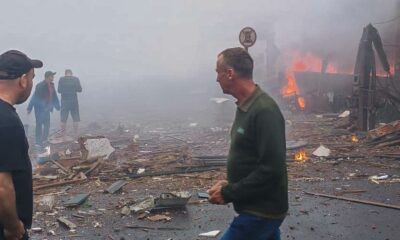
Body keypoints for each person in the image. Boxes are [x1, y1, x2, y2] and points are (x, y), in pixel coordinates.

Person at [208, 47, 288, 240]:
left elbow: (271, 168)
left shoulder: (264, 111)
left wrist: (229, 192)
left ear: (230, 73)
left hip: (260, 212)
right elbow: (252, 157)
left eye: (218, 72)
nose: (216, 78)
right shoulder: (245, 105)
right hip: (256, 207)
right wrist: (232, 182)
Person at [0, 50, 43, 239]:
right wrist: (13, 227)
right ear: (23, 80)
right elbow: (2, 185)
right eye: (32, 78)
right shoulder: (6, 121)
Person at [27, 71, 60, 146]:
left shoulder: (52, 85)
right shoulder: (40, 85)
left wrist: (57, 106)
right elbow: (34, 96)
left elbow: (54, 96)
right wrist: (30, 107)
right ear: (48, 77)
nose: (53, 77)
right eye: (52, 76)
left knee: (47, 125)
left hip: (47, 109)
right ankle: (38, 142)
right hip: (39, 109)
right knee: (39, 125)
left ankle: (44, 139)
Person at [58, 69, 82, 137]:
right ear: (71, 73)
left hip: (64, 101)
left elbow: (59, 90)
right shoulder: (75, 79)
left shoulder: (61, 79)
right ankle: (76, 134)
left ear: (65, 73)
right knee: (75, 118)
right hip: (74, 101)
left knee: (63, 119)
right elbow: (80, 90)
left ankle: (63, 135)